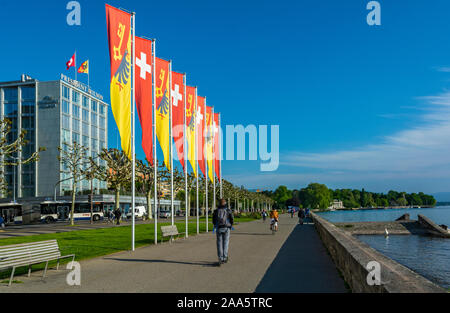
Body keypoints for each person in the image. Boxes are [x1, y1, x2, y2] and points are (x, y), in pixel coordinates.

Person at [213, 199, 234, 266]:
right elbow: (232, 219)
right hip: (226, 228)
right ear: (225, 203)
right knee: (226, 243)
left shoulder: (216, 211)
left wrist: (215, 225)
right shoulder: (228, 210)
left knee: (219, 243)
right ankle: (225, 257)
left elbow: (213, 220)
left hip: (219, 228)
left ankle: (220, 258)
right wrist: (231, 225)